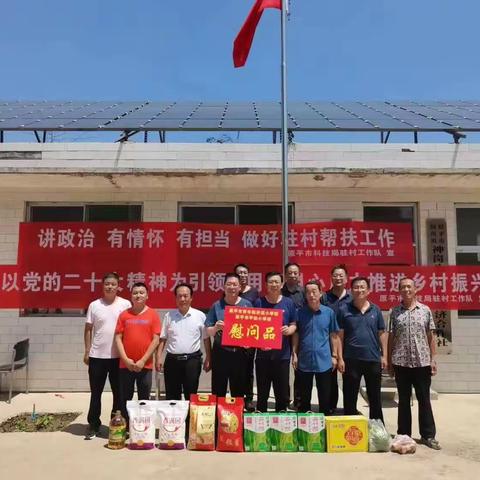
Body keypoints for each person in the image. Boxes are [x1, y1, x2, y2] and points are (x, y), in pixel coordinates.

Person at [388, 277, 441, 450]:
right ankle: (404, 434)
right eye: (403, 287)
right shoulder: (394, 312)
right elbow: (391, 338)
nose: (406, 290)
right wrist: (389, 361)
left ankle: (428, 435)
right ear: (399, 291)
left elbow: (431, 336)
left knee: (424, 399)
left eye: (409, 287)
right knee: (403, 400)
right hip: (401, 362)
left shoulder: (425, 310)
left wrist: (433, 359)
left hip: (422, 362)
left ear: (415, 289)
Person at [83, 272, 131, 440]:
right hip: (97, 357)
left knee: (119, 394)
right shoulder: (94, 305)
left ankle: (116, 425)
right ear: (102, 286)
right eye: (107, 284)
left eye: (113, 284)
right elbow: (88, 329)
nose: (110, 286)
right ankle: (93, 425)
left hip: (119, 357)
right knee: (96, 393)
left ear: (118, 286)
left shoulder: (125, 304)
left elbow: (130, 330)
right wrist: (87, 350)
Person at [337, 276, 387, 422]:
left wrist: (384, 356)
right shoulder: (343, 309)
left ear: (369, 290)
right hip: (351, 359)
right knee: (350, 396)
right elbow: (338, 335)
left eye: (362, 287)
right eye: (356, 287)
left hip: (372, 359)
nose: (359, 290)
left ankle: (378, 430)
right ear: (351, 290)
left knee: (375, 397)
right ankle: (350, 430)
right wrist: (339, 357)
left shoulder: (375, 310)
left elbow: (382, 333)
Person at [155, 283, 211, 401]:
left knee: (191, 396)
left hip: (192, 361)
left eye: (185, 296)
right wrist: (158, 357)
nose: (182, 299)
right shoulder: (169, 316)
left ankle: (189, 419)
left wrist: (208, 358)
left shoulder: (200, 316)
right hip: (172, 361)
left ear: (191, 298)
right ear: (176, 298)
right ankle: (175, 419)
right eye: (179, 296)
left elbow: (206, 339)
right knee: (172, 397)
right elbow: (163, 338)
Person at [115, 282, 161, 423]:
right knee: (125, 399)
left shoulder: (153, 314)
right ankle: (126, 427)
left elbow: (156, 339)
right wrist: (126, 359)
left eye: (141, 292)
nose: (138, 295)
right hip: (126, 365)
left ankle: (142, 428)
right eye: (135, 293)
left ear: (147, 295)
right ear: (131, 296)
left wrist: (142, 360)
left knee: (144, 399)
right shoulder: (124, 315)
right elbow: (117, 338)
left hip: (145, 365)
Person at [292, 280, 340, 414]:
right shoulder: (300, 313)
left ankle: (324, 426)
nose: (311, 295)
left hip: (324, 361)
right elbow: (296, 334)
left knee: (325, 398)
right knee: (304, 398)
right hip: (304, 360)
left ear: (320, 293)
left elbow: (333, 335)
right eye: (308, 292)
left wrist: (334, 356)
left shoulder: (329, 313)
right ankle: (304, 428)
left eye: (314, 291)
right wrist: (294, 354)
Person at [254, 272, 297, 412]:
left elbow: (294, 324)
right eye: (271, 282)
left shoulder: (288, 302)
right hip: (262, 356)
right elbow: (252, 327)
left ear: (282, 284)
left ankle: (281, 423)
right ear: (266, 284)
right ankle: (260, 424)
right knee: (262, 393)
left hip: (282, 356)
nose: (274, 285)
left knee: (282, 393)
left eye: (277, 282)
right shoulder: (259, 303)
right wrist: (258, 342)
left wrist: (289, 330)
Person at [205, 273, 252, 398]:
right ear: (224, 287)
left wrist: (250, 343)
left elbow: (254, 330)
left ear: (240, 288)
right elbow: (208, 330)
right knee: (218, 388)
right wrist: (215, 328)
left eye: (235, 284)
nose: (232, 287)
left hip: (240, 353)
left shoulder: (247, 305)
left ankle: (236, 415)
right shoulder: (217, 305)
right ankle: (218, 416)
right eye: (229, 284)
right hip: (221, 352)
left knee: (238, 390)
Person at [320, 264, 352, 414]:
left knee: (349, 378)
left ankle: (349, 408)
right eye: (335, 276)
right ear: (331, 278)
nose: (338, 278)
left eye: (341, 276)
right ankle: (330, 406)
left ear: (346, 278)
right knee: (330, 378)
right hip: (329, 343)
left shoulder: (352, 298)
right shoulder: (324, 298)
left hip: (349, 343)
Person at [234, 263, 260, 411]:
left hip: (250, 335)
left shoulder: (254, 293)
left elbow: (258, 313)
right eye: (240, 273)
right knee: (236, 368)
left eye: (245, 273)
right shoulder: (231, 290)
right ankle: (237, 397)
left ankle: (249, 398)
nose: (243, 275)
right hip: (235, 335)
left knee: (249, 368)